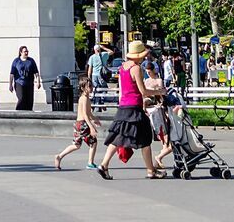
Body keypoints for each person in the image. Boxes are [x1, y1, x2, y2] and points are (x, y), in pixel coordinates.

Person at [96, 40, 165, 180]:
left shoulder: (123, 67)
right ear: (139, 55)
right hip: (134, 108)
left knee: (118, 137)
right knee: (146, 138)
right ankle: (151, 171)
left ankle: (103, 165)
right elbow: (143, 91)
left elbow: (122, 89)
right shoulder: (136, 68)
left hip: (123, 106)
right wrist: (160, 92)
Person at [55, 76, 100, 170]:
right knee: (93, 142)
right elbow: (85, 114)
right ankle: (90, 162)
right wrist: (91, 127)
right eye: (89, 86)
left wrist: (95, 118)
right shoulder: (84, 99)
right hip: (83, 124)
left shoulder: (85, 98)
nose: (91, 88)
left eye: (91, 86)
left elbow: (89, 113)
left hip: (78, 124)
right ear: (83, 88)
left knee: (76, 145)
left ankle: (59, 156)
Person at [9, 45, 42, 111]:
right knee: (21, 98)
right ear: (21, 52)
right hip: (19, 83)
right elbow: (12, 74)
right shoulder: (16, 61)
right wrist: (10, 85)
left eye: (27, 51)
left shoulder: (31, 61)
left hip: (29, 83)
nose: (26, 53)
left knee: (29, 100)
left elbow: (36, 72)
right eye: (25, 51)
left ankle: (28, 114)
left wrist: (38, 82)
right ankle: (18, 112)